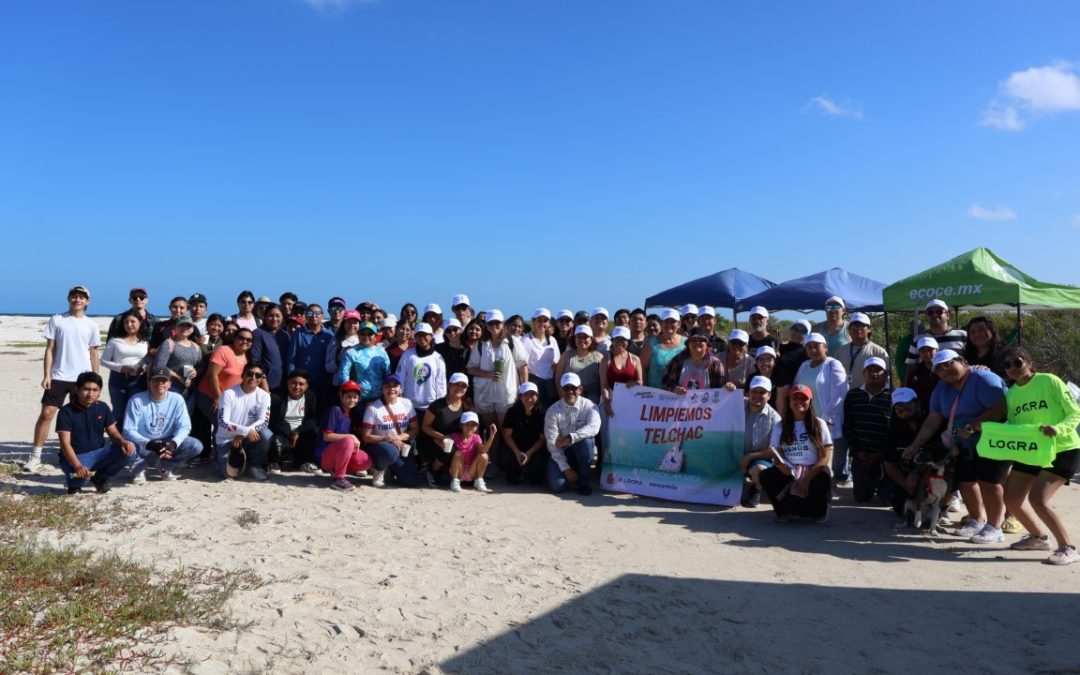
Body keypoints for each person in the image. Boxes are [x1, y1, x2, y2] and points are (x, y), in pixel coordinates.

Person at [902, 350, 1009, 544]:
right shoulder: (942, 388)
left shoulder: (982, 378)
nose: (945, 371)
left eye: (948, 364)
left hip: (992, 442)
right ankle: (977, 521)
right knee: (966, 481)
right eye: (939, 369)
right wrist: (914, 445)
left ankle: (995, 527)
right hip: (963, 445)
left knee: (990, 484)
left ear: (961, 360)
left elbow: (1001, 408)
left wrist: (972, 426)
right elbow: (933, 420)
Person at [999, 348, 1080, 565]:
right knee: (1012, 498)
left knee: (1038, 499)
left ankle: (1067, 548)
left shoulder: (1049, 381)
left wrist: (1058, 428)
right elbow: (1016, 429)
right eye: (1007, 365)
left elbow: (1075, 412)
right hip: (1031, 452)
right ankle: (1037, 538)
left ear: (1029, 363)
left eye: (1017, 362)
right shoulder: (1012, 393)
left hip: (1062, 448)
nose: (1012, 368)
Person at [26, 285, 101, 472]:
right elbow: (50, 349)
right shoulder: (57, 319)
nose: (77, 300)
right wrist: (47, 375)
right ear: (69, 299)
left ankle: (78, 453)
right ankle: (36, 455)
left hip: (82, 378)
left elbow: (93, 353)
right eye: (74, 296)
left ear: (87, 302)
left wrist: (95, 380)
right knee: (47, 414)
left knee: (81, 417)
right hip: (59, 376)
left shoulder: (91, 325)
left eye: (81, 297)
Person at [758, 384, 834, 522]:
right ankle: (783, 512)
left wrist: (806, 480)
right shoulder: (780, 426)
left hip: (813, 471)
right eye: (795, 397)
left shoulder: (819, 423)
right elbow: (777, 453)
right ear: (789, 401)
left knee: (822, 481)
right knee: (766, 475)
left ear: (810, 401)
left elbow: (824, 456)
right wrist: (782, 468)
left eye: (803, 398)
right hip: (790, 471)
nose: (799, 401)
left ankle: (820, 509)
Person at [55, 372, 135, 494]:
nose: (90, 394)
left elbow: (113, 431)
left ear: (99, 391)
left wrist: (123, 441)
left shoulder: (102, 407)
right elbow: (65, 443)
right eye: (86, 389)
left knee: (130, 451)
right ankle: (74, 484)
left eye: (95, 390)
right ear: (77, 389)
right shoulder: (66, 412)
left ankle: (100, 478)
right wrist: (77, 465)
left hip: (99, 453)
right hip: (76, 456)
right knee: (81, 477)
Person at [123, 367, 203, 482]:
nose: (160, 383)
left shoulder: (177, 399)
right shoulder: (136, 400)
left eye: (164, 381)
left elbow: (185, 426)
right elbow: (128, 430)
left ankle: (165, 466)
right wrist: (149, 444)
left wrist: (174, 443)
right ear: (148, 383)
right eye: (155, 380)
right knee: (125, 445)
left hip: (166, 442)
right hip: (143, 444)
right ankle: (139, 467)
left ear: (170, 384)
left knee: (195, 445)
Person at [882, 388, 948, 520]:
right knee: (902, 510)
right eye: (898, 405)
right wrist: (905, 484)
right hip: (907, 478)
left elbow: (946, 455)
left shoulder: (935, 424)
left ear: (917, 403)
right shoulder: (892, 431)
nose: (903, 408)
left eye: (908, 403)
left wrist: (919, 475)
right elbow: (889, 463)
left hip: (935, 477)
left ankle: (944, 504)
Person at [842, 357, 893, 504]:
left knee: (887, 501)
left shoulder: (894, 396)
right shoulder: (853, 395)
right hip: (861, 455)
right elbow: (848, 426)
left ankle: (884, 486)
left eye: (878, 370)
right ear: (864, 373)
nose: (874, 373)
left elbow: (895, 431)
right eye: (869, 370)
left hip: (885, 457)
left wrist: (881, 453)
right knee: (861, 497)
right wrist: (856, 451)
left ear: (885, 374)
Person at [466, 309, 529, 427]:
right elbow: (470, 368)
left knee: (505, 429)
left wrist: (524, 389)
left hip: (506, 394)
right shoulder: (480, 344)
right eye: (491, 323)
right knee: (490, 431)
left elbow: (523, 367)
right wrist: (489, 374)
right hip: (484, 394)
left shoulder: (513, 342)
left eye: (497, 323)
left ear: (503, 323)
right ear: (486, 325)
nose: (494, 326)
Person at [544, 372, 602, 496]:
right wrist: (566, 469)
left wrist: (570, 437)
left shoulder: (590, 406)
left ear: (580, 389)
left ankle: (584, 482)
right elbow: (552, 444)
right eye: (566, 388)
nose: (570, 391)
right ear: (561, 390)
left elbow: (594, 427)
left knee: (585, 441)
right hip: (562, 453)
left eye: (573, 388)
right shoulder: (552, 411)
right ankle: (572, 473)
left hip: (581, 450)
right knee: (557, 486)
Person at [214, 362, 273, 481]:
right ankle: (222, 459)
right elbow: (223, 422)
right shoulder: (228, 394)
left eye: (258, 375)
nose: (253, 378)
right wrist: (244, 431)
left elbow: (263, 421)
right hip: (226, 440)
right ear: (242, 375)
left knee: (266, 434)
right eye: (250, 374)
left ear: (262, 379)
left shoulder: (264, 396)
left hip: (247, 439)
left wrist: (242, 434)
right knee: (229, 475)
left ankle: (255, 466)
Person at [360, 374, 421, 488]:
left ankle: (391, 469)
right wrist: (387, 438)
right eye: (387, 386)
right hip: (380, 445)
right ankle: (378, 469)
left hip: (399, 443)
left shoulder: (407, 403)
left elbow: (415, 429)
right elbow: (366, 437)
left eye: (395, 385)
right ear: (382, 389)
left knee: (412, 481)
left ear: (400, 389)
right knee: (391, 452)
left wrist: (398, 437)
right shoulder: (373, 408)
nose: (391, 389)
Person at [315, 381, 373, 491]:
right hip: (325, 455)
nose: (352, 400)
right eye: (348, 396)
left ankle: (336, 471)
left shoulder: (353, 413)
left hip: (340, 453)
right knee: (348, 441)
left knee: (367, 461)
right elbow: (327, 436)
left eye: (355, 397)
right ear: (341, 396)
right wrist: (351, 436)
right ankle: (339, 478)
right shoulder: (335, 410)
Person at [737, 375, 783, 507]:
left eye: (762, 392)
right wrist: (727, 388)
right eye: (754, 391)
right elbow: (721, 400)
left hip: (758, 458)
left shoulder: (775, 419)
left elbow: (775, 450)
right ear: (748, 392)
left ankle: (756, 489)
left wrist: (749, 456)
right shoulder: (737, 404)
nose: (757, 395)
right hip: (734, 452)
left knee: (760, 470)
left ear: (769, 395)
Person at [419, 372, 471, 488]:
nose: (459, 388)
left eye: (463, 386)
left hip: (458, 442)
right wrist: (442, 437)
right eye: (456, 384)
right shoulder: (437, 405)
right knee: (447, 448)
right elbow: (425, 426)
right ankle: (433, 470)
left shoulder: (467, 406)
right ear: (449, 385)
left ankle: (451, 472)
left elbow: (472, 428)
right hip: (435, 441)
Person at [100, 310, 149, 431]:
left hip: (139, 380)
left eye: (133, 321)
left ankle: (134, 438)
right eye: (126, 322)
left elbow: (147, 360)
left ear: (140, 323)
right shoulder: (115, 341)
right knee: (119, 412)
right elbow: (103, 361)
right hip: (118, 380)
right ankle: (118, 440)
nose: (129, 324)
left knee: (137, 410)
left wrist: (143, 367)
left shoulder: (145, 342)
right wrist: (121, 367)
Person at [196, 328, 253, 423]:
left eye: (249, 340)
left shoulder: (248, 357)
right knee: (222, 425)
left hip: (229, 401)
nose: (245, 341)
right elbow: (212, 375)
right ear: (234, 338)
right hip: (210, 396)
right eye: (241, 338)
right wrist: (218, 398)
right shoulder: (223, 350)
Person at [498, 382, 550, 485]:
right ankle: (515, 472)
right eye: (526, 394)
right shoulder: (512, 412)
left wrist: (528, 454)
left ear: (537, 396)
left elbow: (542, 439)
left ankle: (531, 473)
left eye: (532, 394)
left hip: (535, 448)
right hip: (515, 446)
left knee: (538, 465)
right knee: (506, 456)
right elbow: (507, 435)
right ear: (520, 396)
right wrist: (517, 453)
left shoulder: (543, 413)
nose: (529, 397)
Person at [269, 369, 319, 473]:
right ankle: (275, 462)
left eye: (301, 384)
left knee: (313, 432)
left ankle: (304, 462)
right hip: (283, 432)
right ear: (288, 382)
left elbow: (313, 419)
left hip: (301, 432)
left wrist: (297, 432)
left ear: (307, 385)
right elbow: (274, 420)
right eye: (293, 383)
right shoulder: (277, 395)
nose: (297, 387)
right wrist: (289, 433)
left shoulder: (310, 396)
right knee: (277, 442)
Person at [287, 304, 336, 411]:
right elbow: (291, 359)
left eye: (317, 313)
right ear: (306, 316)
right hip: (302, 382)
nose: (314, 316)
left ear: (322, 316)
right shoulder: (299, 334)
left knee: (321, 413)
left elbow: (332, 359)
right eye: (310, 313)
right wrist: (291, 379)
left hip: (323, 382)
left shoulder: (329, 335)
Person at [396, 322, 447, 418]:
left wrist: (440, 406)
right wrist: (399, 400)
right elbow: (400, 377)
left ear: (431, 336)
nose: (421, 337)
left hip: (431, 407)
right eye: (418, 335)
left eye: (425, 335)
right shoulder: (407, 355)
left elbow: (441, 384)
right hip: (409, 406)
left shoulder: (438, 358)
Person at [339, 321, 391, 411]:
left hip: (379, 398)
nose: (366, 336)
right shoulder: (351, 352)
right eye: (363, 333)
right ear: (358, 335)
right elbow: (344, 375)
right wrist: (347, 395)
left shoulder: (382, 352)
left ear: (375, 336)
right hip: (359, 399)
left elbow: (388, 374)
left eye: (370, 334)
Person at [661, 328, 729, 393]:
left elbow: (721, 388)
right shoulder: (677, 361)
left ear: (707, 345)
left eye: (701, 340)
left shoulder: (715, 364)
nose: (697, 342)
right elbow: (665, 384)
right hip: (681, 404)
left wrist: (728, 387)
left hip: (707, 404)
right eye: (693, 340)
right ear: (688, 344)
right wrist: (674, 389)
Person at [904, 299, 967, 369]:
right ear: (926, 317)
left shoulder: (963, 335)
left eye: (939, 311)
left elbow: (971, 362)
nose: (934, 315)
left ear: (947, 315)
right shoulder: (918, 339)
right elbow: (911, 366)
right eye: (930, 313)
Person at [834, 312, 890, 390]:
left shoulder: (879, 352)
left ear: (869, 329)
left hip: (868, 398)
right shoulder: (840, 351)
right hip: (844, 396)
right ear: (849, 330)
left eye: (862, 325)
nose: (858, 328)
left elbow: (886, 379)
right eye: (855, 325)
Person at [152, 314, 202, 398]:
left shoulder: (196, 347)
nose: (185, 328)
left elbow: (201, 366)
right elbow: (159, 366)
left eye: (188, 325)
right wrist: (179, 377)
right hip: (171, 388)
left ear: (192, 329)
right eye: (181, 325)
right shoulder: (168, 343)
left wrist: (196, 372)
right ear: (175, 327)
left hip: (190, 389)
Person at [446, 411, 496, 493]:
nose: (470, 427)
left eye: (473, 425)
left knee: (484, 456)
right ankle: (454, 481)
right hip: (458, 471)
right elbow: (441, 439)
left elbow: (483, 450)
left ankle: (478, 480)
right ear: (461, 425)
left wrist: (492, 436)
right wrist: (444, 442)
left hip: (471, 471)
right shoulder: (455, 436)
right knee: (458, 453)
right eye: (467, 424)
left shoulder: (476, 437)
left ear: (476, 427)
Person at [599, 326, 643, 417]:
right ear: (612, 341)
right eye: (617, 339)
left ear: (628, 342)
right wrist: (607, 403)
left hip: (630, 402)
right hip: (609, 401)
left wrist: (634, 383)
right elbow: (604, 385)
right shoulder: (605, 360)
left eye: (623, 339)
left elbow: (640, 381)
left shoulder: (635, 359)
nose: (620, 342)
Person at [555, 325, 604, 406]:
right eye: (579, 337)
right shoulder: (566, 355)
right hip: (569, 397)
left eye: (585, 337)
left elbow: (604, 381)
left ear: (591, 339)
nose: (582, 340)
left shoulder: (599, 357)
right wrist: (562, 397)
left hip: (593, 400)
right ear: (574, 339)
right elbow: (558, 378)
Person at [522, 308, 560, 406]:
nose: (542, 323)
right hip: (533, 382)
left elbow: (556, 364)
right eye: (539, 320)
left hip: (550, 385)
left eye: (545, 321)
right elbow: (523, 365)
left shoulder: (552, 340)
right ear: (534, 321)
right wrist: (525, 388)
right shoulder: (526, 339)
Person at [641, 308, 685, 388]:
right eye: (666, 321)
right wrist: (644, 390)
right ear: (661, 323)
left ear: (679, 324)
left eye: (672, 321)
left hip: (681, 396)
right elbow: (642, 368)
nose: (669, 324)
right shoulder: (650, 343)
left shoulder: (687, 343)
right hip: (655, 396)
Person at [250, 304, 290, 392]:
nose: (274, 319)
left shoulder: (285, 335)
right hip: (266, 385)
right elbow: (255, 360)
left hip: (284, 384)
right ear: (265, 316)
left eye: (277, 316)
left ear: (282, 317)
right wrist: (263, 380)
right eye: (271, 316)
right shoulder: (258, 333)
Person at [327, 309, 362, 388]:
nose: (352, 325)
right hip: (339, 386)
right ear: (343, 323)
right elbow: (328, 368)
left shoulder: (364, 340)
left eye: (355, 322)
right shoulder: (335, 340)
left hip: (359, 386)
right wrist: (338, 359)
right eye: (349, 322)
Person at [904, 336, 941, 409]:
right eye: (923, 351)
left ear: (937, 350)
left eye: (930, 350)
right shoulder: (915, 373)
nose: (926, 354)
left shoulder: (945, 370)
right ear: (919, 353)